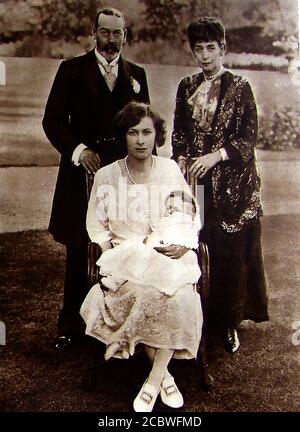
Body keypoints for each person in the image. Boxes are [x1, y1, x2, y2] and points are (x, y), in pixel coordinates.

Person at [80, 102, 203, 412]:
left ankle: (154, 379)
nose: (140, 140)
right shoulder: (107, 176)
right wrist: (110, 261)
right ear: (124, 136)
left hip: (168, 253)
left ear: (156, 135)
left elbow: (189, 213)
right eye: (132, 132)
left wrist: (183, 244)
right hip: (127, 259)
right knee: (146, 293)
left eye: (146, 132)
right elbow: (97, 226)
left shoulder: (170, 170)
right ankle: (163, 377)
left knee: (177, 294)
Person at [42, 7, 150, 350]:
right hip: (80, 176)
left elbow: (145, 128)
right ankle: (70, 326)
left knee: (122, 246)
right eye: (105, 33)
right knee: (80, 249)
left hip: (123, 178)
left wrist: (148, 177)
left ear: (125, 36)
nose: (111, 40)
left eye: (118, 34)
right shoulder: (71, 70)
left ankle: (120, 327)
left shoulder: (137, 75)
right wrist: (79, 150)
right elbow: (53, 120)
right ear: (94, 32)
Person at [172, 17, 268, 353]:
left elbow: (247, 139)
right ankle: (195, 317)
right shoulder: (186, 87)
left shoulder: (240, 88)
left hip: (231, 185)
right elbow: (179, 132)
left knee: (228, 253)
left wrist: (215, 157)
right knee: (194, 247)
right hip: (195, 184)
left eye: (210, 48)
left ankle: (227, 324)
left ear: (222, 48)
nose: (204, 55)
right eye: (198, 49)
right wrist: (182, 158)